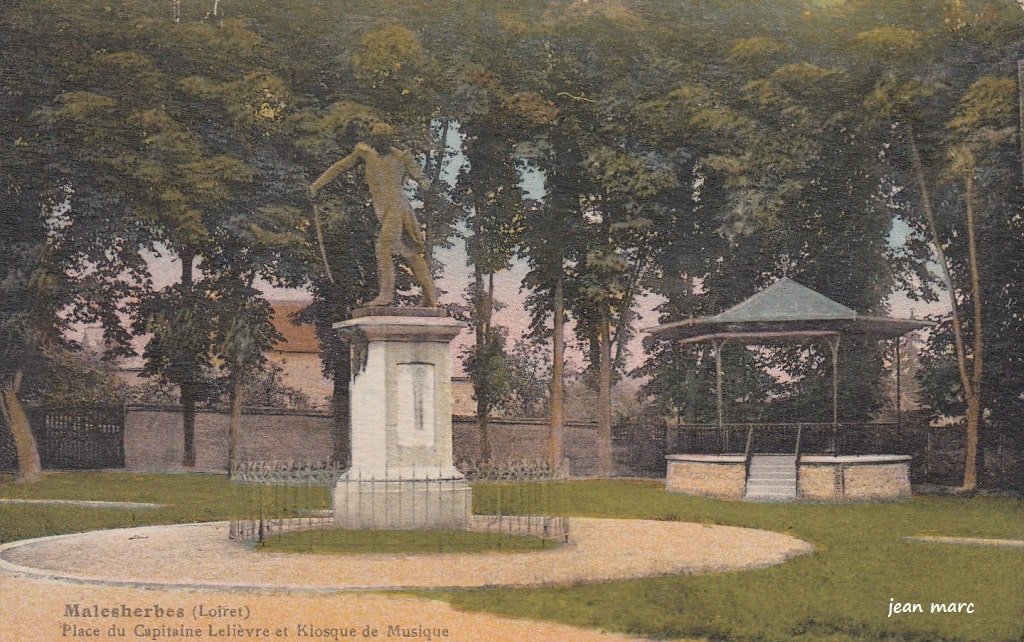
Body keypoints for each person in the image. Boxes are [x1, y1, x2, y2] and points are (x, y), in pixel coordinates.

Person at [308, 123, 438, 307]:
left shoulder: (401, 158)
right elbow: (340, 167)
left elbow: (422, 177)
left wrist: (424, 184)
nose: (378, 143)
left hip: (398, 208)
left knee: (383, 247)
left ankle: (386, 295)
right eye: (375, 139)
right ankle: (432, 297)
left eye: (382, 140)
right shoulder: (365, 154)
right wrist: (317, 185)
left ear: (389, 140)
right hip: (384, 210)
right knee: (411, 253)